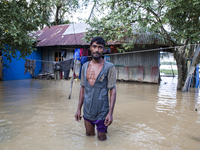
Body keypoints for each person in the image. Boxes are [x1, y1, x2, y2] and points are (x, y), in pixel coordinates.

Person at [75, 37, 117, 141]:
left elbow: (112, 90)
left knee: (102, 138)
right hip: (88, 109)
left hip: (102, 111)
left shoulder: (109, 67)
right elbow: (82, 89)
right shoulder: (84, 66)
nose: (97, 50)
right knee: (89, 136)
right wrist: (78, 109)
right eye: (94, 46)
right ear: (90, 48)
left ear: (103, 50)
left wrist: (110, 113)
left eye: (100, 47)